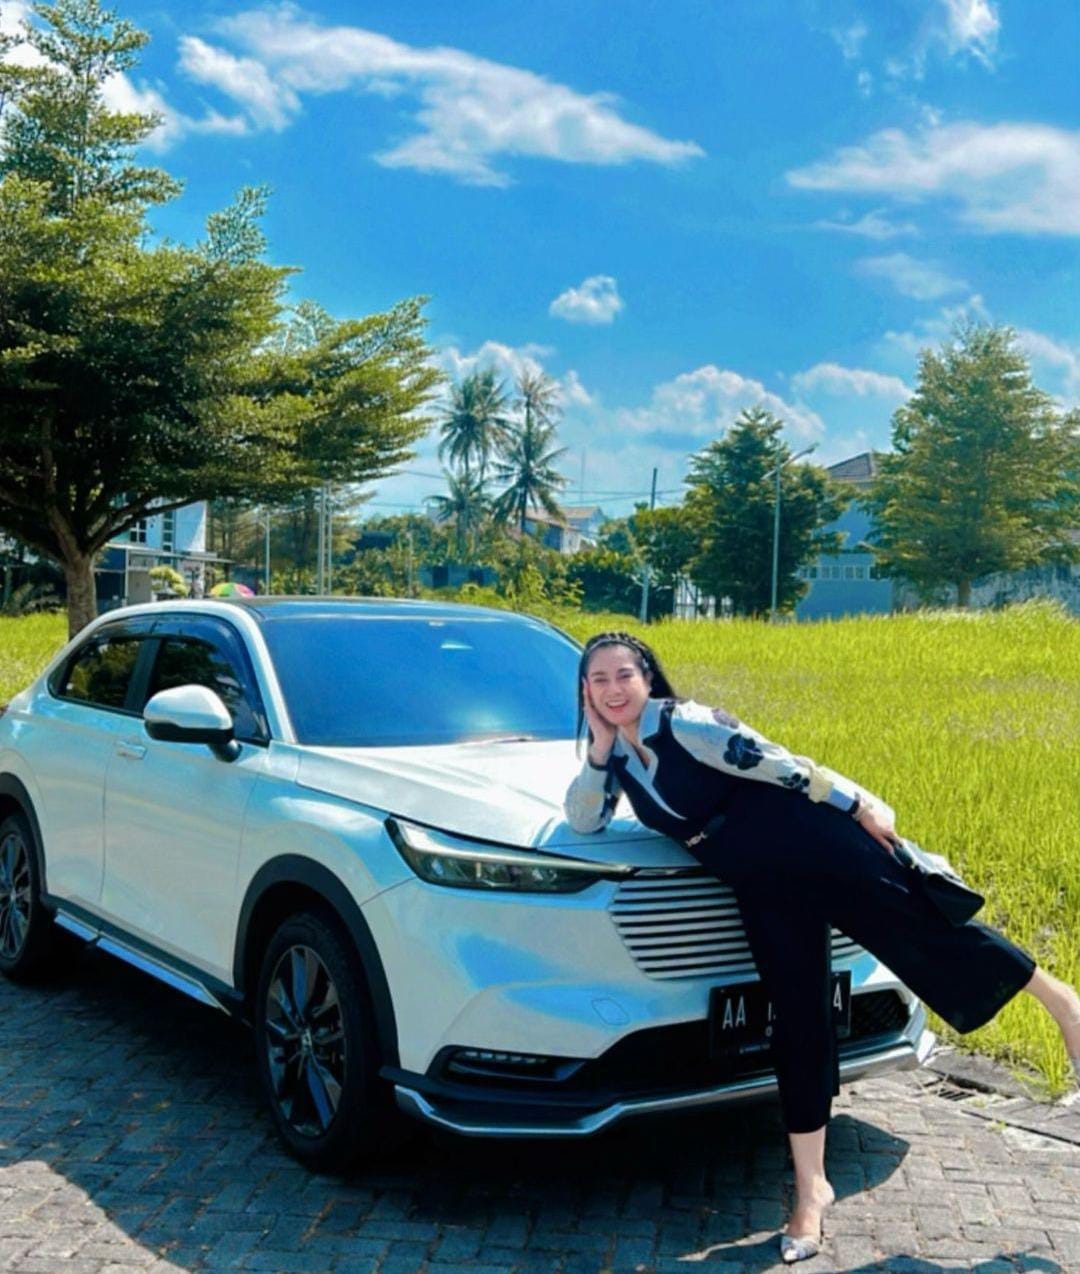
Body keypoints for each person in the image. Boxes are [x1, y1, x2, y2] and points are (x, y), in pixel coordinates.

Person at [564, 631, 1080, 1265]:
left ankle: (1063, 1004)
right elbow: (584, 819)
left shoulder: (686, 723)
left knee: (922, 933)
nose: (614, 689)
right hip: (760, 883)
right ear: (585, 692)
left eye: (624, 675)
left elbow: (782, 764)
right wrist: (599, 749)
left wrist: (860, 807)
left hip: (810, 842)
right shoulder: (617, 758)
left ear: (647, 677)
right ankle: (812, 1191)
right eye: (599, 680)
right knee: (798, 1020)